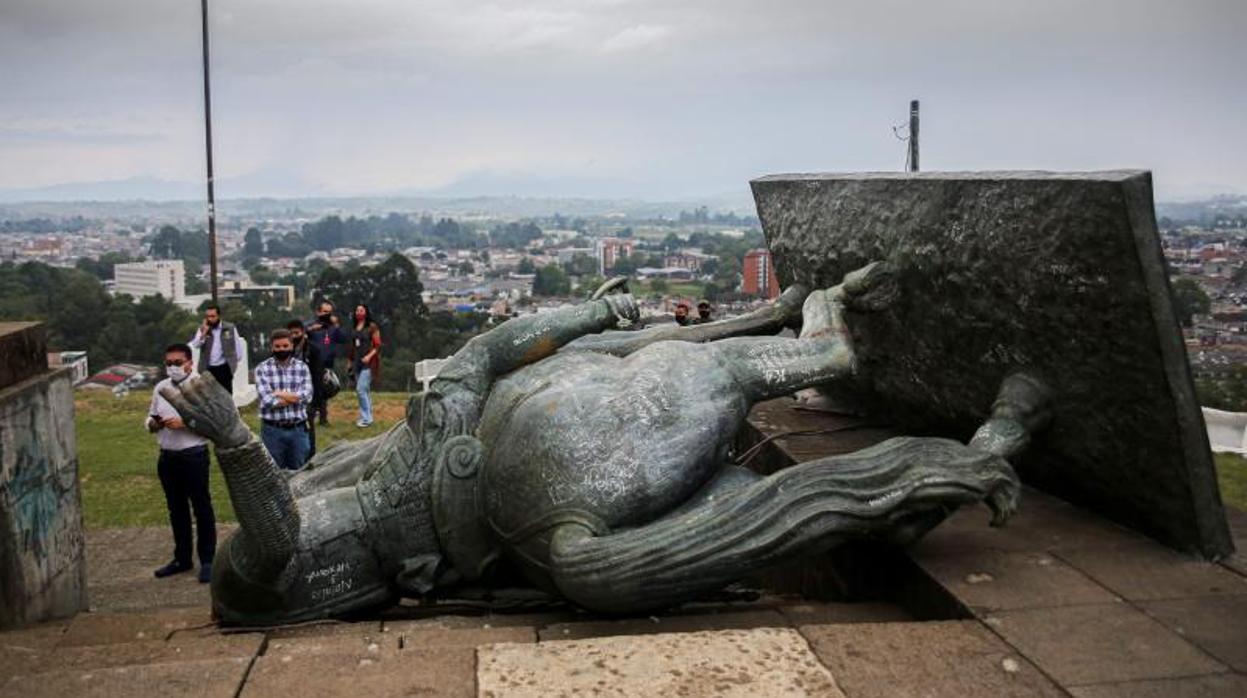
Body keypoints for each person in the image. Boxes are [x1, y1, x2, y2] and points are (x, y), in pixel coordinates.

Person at [146, 343, 216, 583]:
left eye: (177, 363)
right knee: (176, 509)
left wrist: (185, 424)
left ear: (189, 363)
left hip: (193, 455)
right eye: (168, 363)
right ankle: (182, 558)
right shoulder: (161, 388)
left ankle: (208, 559)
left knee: (201, 507)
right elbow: (151, 416)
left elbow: (214, 423)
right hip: (168, 455)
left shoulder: (201, 387)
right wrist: (153, 424)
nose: (172, 368)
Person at [255, 328, 314, 471]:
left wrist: (278, 393)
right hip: (273, 431)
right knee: (274, 475)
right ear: (272, 347)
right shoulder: (262, 369)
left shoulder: (302, 368)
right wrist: (294, 397)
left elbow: (307, 396)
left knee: (300, 473)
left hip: (298, 430)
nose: (282, 349)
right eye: (278, 347)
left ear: (292, 346)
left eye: (285, 346)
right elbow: (267, 401)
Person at [305, 300, 346, 429]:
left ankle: (320, 415)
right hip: (312, 363)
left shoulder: (333, 328)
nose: (326, 315)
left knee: (328, 389)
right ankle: (317, 415)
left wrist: (336, 325)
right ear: (318, 312)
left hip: (327, 363)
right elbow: (299, 335)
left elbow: (343, 338)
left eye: (329, 313)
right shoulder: (311, 326)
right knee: (315, 390)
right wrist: (310, 330)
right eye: (324, 312)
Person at [189, 303, 244, 396]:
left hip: (224, 368)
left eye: (212, 316)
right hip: (207, 369)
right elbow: (196, 345)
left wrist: (232, 366)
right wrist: (204, 333)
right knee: (209, 397)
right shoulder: (203, 329)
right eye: (208, 316)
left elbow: (238, 349)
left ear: (218, 316)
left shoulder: (229, 328)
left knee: (226, 396)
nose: (210, 319)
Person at [348, 304, 382, 428]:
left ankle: (366, 418)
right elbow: (352, 347)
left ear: (366, 312)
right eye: (357, 310)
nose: (358, 312)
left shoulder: (372, 327)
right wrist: (350, 362)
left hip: (369, 362)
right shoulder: (354, 328)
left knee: (360, 389)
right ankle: (367, 416)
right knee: (365, 391)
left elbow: (378, 345)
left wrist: (369, 356)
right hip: (357, 362)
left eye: (361, 310)